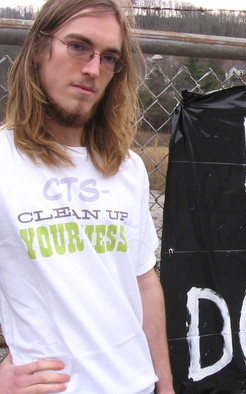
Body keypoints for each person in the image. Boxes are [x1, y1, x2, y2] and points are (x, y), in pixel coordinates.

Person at [0, 0, 175, 392]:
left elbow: (144, 282)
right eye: (78, 46)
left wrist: (164, 385)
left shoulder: (126, 167)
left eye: (109, 57)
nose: (93, 69)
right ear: (40, 49)